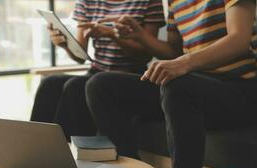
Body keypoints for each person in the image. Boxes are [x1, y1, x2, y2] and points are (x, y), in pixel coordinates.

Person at [85, 0, 257, 168]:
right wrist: (140, 36)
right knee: (101, 86)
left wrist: (183, 63)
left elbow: (239, 40)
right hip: (193, 85)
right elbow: (173, 51)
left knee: (178, 85)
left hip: (238, 89)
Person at [30, 0, 166, 140]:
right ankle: (34, 146)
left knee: (75, 86)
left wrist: (113, 35)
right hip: (96, 72)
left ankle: (70, 153)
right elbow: (80, 57)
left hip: (130, 74)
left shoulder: (149, 2)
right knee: (50, 82)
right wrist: (65, 44)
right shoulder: (87, 2)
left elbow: (144, 56)